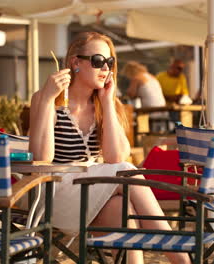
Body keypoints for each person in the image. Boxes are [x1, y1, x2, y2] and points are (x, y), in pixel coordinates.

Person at [29, 31, 190, 264]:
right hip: (55, 196)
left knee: (121, 208)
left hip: (91, 193)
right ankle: (181, 259)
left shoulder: (107, 103)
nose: (106, 68)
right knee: (124, 170)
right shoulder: (47, 98)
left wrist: (106, 101)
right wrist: (46, 100)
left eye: (110, 62)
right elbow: (41, 158)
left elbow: (114, 156)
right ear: (75, 63)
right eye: (98, 61)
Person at [122, 61, 168, 132]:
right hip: (163, 110)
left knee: (130, 117)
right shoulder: (151, 76)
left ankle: (137, 138)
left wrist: (127, 92)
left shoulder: (136, 78)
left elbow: (131, 95)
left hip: (151, 111)